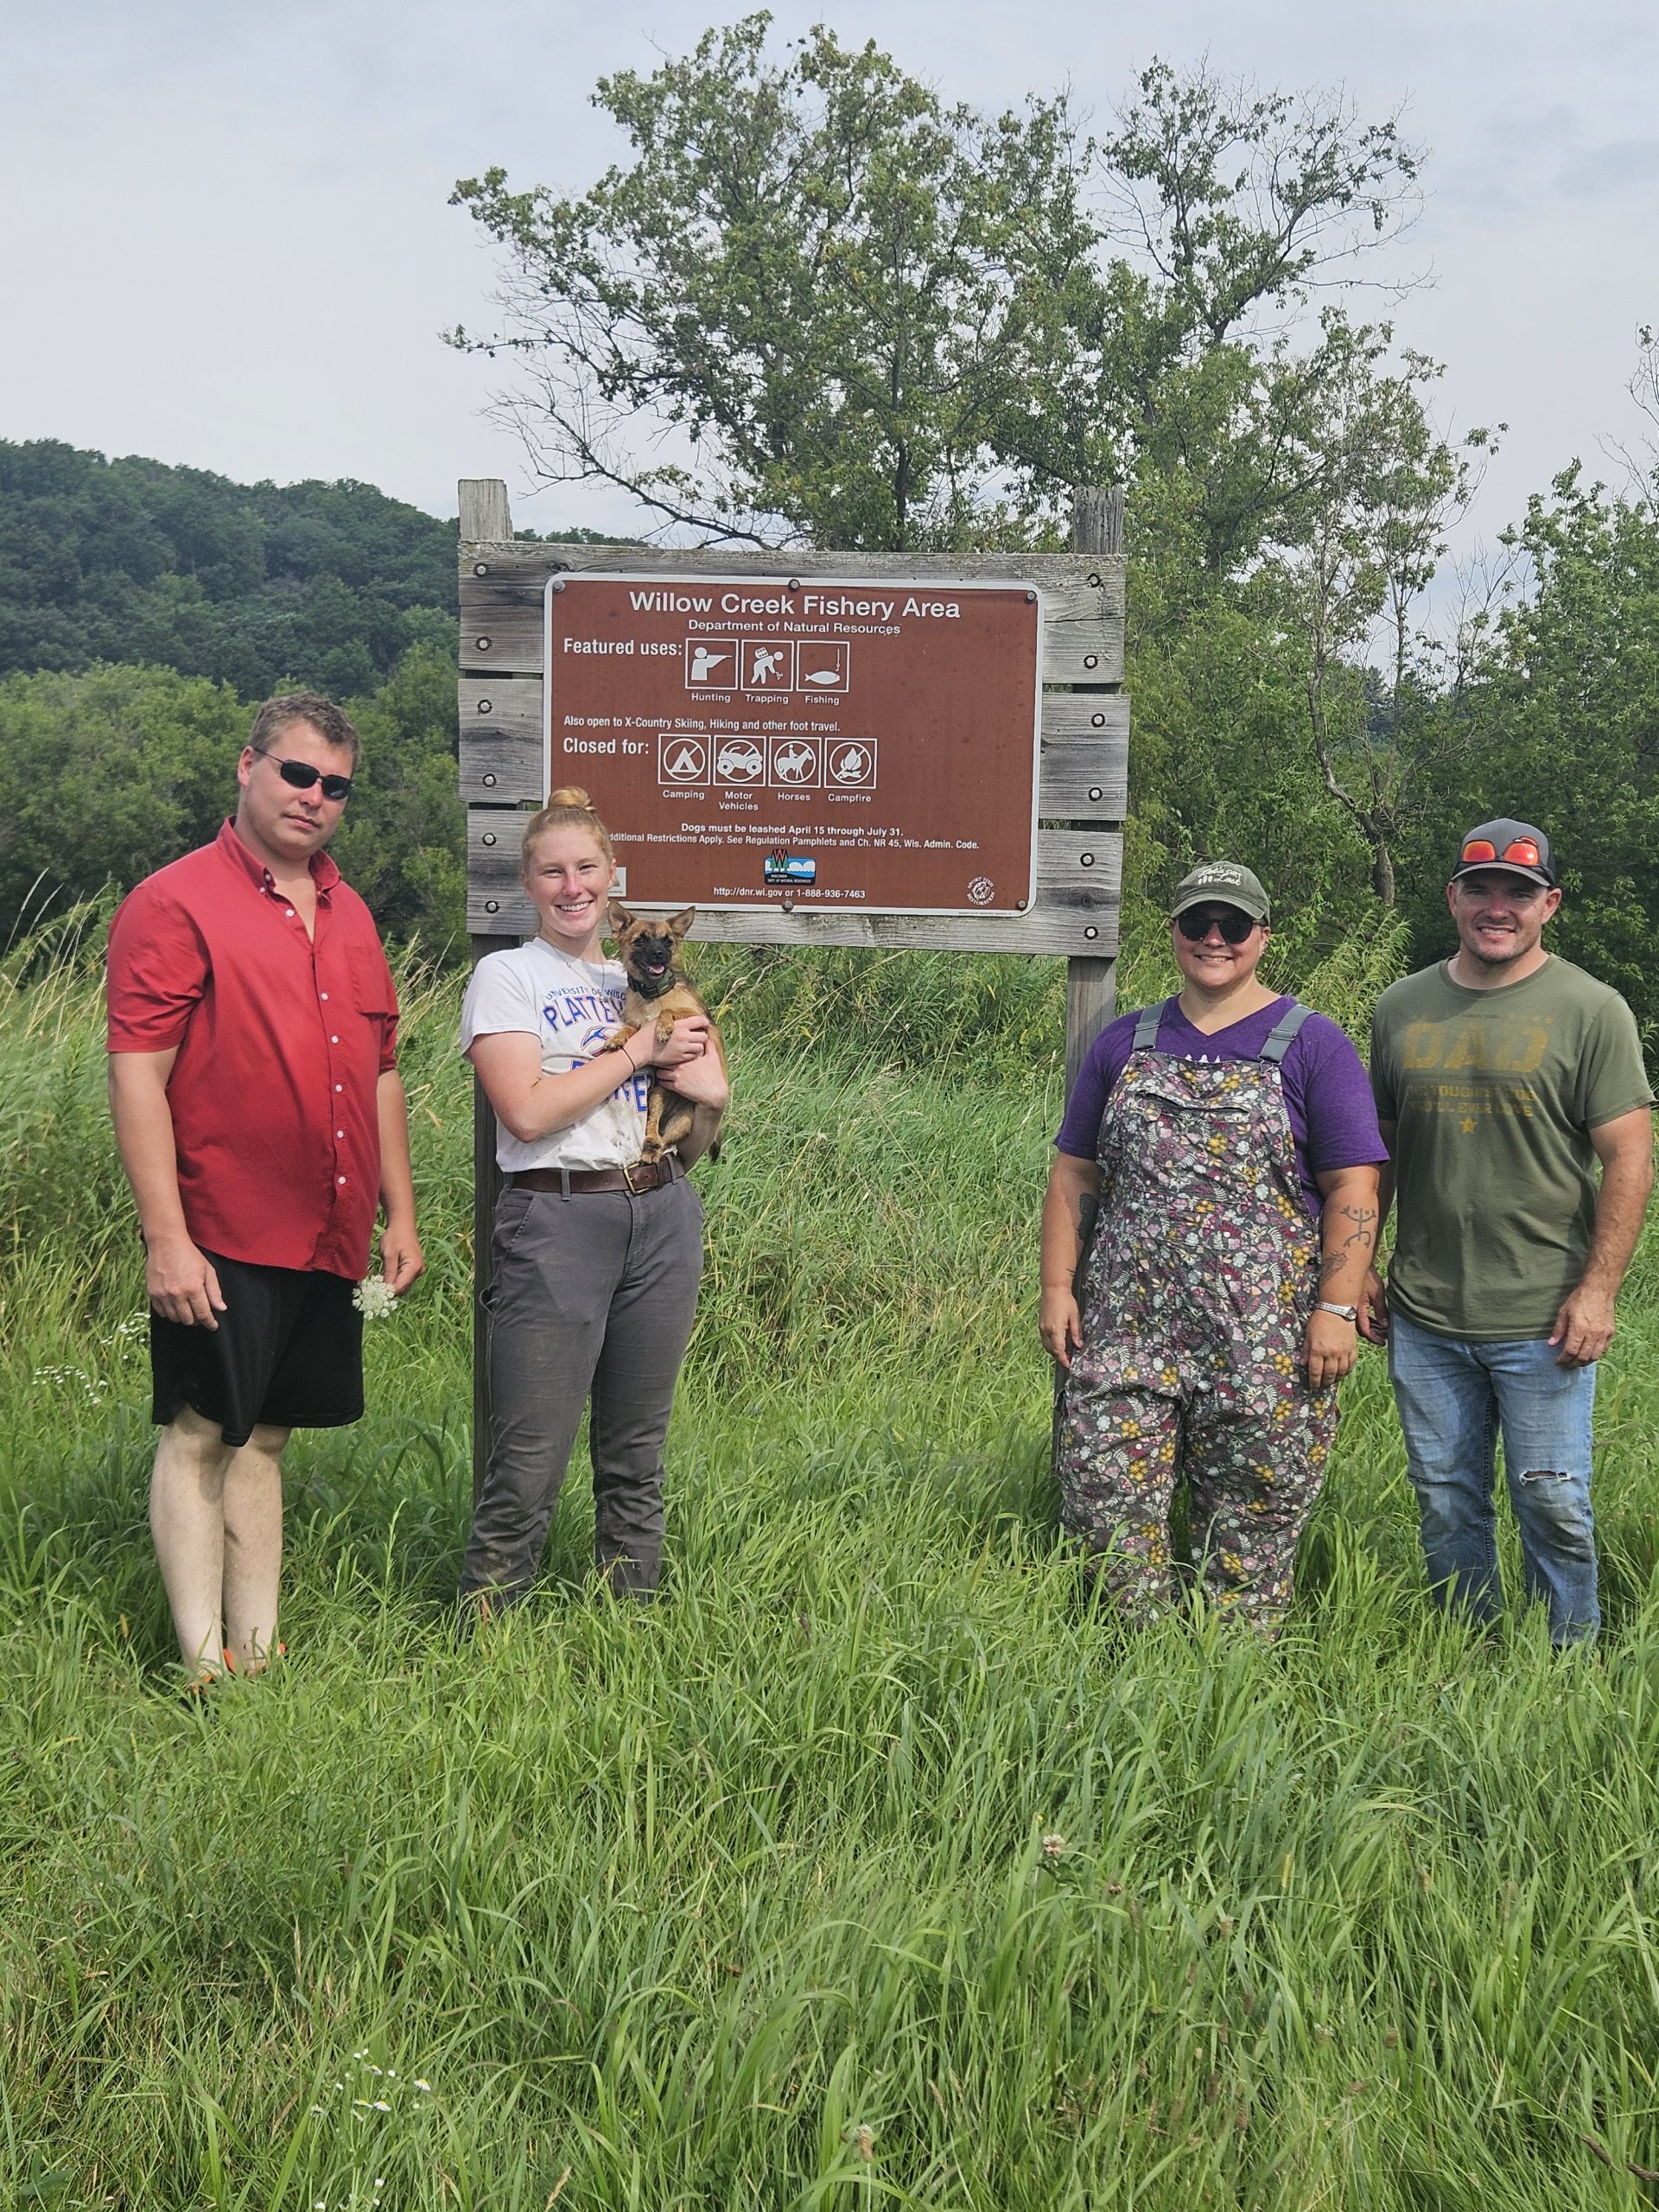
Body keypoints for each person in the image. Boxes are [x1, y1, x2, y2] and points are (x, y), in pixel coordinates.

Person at [106, 692, 423, 1686]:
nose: (315, 797)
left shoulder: (354, 909)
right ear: (247, 767)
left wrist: (399, 1212)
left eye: (336, 785)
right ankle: (200, 1661)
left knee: (271, 1434)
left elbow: (380, 1071)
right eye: (297, 773)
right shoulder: (175, 901)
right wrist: (168, 1237)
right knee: (205, 1429)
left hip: (330, 1224)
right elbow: (137, 1075)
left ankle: (256, 1652)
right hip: (223, 1223)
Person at [1042, 861, 1387, 1630]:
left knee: (1253, 1532)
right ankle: (1125, 1675)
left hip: (1262, 1347)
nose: (1213, 939)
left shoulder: (1314, 1045)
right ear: (1172, 931)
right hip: (1126, 1336)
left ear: (1263, 936)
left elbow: (1353, 1190)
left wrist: (1334, 1306)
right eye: (1197, 922)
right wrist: (1058, 1290)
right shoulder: (1124, 1041)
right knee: (1104, 1510)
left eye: (1233, 925)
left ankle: (1226, 1686)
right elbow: (1073, 1174)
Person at [1361, 819, 1653, 1645]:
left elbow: (1630, 1159)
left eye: (1518, 894)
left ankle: (1568, 1658)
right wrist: (1356, 1268)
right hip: (1426, 1313)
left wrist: (1597, 1293)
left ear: (1548, 905)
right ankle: (1469, 1648)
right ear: (1453, 897)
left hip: (1545, 1314)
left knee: (1553, 1497)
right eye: (1480, 888)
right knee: (1446, 1496)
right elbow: (1373, 1153)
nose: (1498, 907)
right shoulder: (1400, 1007)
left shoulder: (1592, 1010)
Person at [459, 788, 728, 1607]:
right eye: (552, 871)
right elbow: (529, 1109)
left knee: (636, 1453)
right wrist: (641, 1050)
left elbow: (700, 1131)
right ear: (528, 882)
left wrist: (713, 1100)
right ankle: (488, 1642)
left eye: (587, 869)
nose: (571, 885)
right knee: (531, 1455)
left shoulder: (639, 976)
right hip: (560, 1212)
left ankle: (627, 1635)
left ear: (613, 878)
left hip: (662, 1205)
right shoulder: (507, 975)